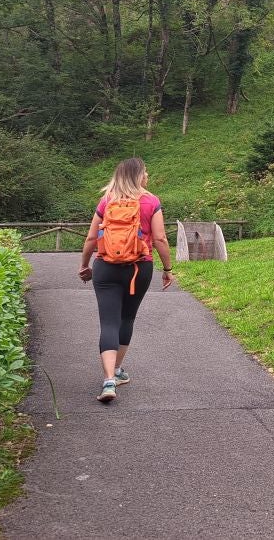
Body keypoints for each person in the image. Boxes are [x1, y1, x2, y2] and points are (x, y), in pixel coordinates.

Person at [78, 157, 174, 403]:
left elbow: (91, 238)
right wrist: (167, 268)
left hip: (106, 267)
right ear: (138, 175)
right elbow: (161, 239)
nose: (148, 176)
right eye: (145, 172)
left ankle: (109, 379)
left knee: (108, 322)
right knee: (127, 318)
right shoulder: (151, 201)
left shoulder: (107, 200)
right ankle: (118, 370)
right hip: (139, 268)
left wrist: (84, 265)